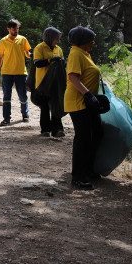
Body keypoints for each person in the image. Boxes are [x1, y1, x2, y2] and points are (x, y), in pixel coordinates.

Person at [64, 25, 103, 190]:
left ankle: (88, 170)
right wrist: (88, 94)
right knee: (83, 139)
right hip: (78, 102)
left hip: (87, 102)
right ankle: (78, 177)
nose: (93, 42)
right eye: (90, 39)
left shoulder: (84, 54)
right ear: (83, 41)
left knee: (97, 134)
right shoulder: (75, 53)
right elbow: (73, 77)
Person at [0, 19, 32, 125]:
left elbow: (27, 52)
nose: (16, 30)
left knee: (22, 95)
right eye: (14, 28)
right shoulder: (3, 41)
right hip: (6, 72)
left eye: (17, 28)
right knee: (6, 96)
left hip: (21, 72)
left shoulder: (23, 39)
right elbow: (0, 57)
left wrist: (31, 55)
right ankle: (6, 118)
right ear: (8, 29)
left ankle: (25, 114)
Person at [33, 27, 66, 137]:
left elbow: (62, 65)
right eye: (56, 38)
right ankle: (45, 130)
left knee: (56, 106)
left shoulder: (58, 49)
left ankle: (57, 129)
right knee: (45, 107)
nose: (58, 40)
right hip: (43, 84)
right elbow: (37, 63)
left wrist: (61, 62)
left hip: (55, 83)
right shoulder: (39, 48)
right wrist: (50, 60)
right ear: (49, 37)